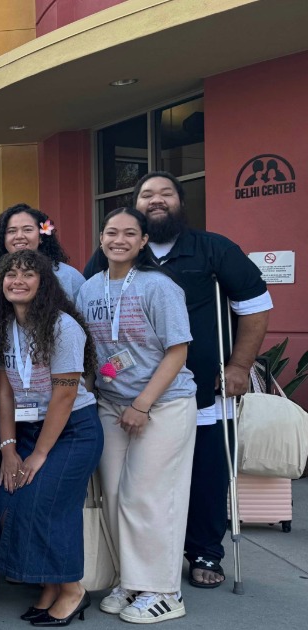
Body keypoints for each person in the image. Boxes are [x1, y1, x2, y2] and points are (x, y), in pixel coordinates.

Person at [83, 172, 272, 590]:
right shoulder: (109, 260)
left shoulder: (213, 248)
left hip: (202, 389)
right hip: (125, 394)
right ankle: (138, 566)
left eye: (165, 193)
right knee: (140, 489)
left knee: (206, 475)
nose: (156, 200)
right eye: (146, 194)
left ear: (180, 202)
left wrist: (240, 365)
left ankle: (204, 550)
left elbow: (255, 306)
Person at [76, 207, 198, 623]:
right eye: (112, 232)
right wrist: (93, 391)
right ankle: (132, 582)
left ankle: (164, 590)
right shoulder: (89, 289)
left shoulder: (158, 287)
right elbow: (100, 355)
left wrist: (143, 404)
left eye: (130, 233)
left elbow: (177, 351)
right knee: (114, 496)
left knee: (146, 497)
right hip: (111, 405)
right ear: (101, 237)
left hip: (162, 404)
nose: (119, 240)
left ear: (144, 241)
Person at [0, 249, 103, 627]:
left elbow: (66, 394)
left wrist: (38, 454)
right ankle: (50, 586)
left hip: (73, 429)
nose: (17, 281)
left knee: (45, 502)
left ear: (44, 283)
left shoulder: (62, 326)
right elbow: (4, 393)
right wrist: (8, 450)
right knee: (9, 497)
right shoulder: (3, 326)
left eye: (27, 274)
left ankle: (72, 589)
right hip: (27, 428)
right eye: (10, 274)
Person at [0, 204, 85, 301]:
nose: (19, 236)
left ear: (41, 237)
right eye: (12, 231)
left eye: (27, 230)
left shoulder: (69, 276)